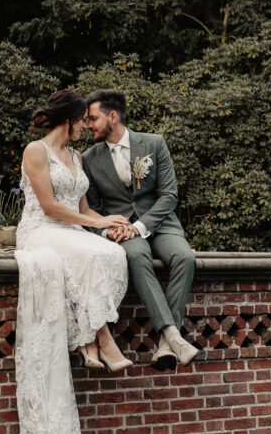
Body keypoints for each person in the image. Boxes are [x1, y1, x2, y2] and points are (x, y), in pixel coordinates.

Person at [13, 89, 132, 434]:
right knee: (88, 255)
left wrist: (112, 222)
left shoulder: (77, 158)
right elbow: (49, 209)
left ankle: (94, 340)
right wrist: (97, 227)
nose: (88, 126)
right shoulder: (36, 151)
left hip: (72, 231)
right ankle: (103, 341)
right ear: (70, 118)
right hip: (41, 233)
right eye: (84, 120)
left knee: (110, 257)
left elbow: (83, 211)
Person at [82, 89, 199, 371]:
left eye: (93, 118)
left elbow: (169, 195)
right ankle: (172, 335)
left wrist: (139, 226)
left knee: (185, 258)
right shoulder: (89, 157)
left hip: (161, 224)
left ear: (112, 116)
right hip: (120, 231)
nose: (88, 125)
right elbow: (93, 209)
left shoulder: (154, 143)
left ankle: (163, 341)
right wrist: (109, 230)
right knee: (135, 257)